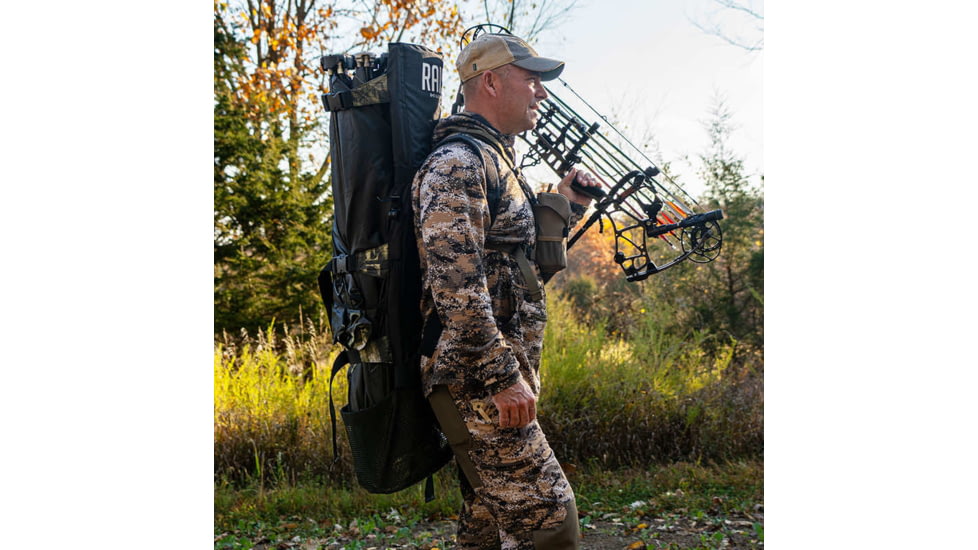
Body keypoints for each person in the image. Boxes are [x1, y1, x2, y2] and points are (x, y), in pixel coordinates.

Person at [411, 32, 600, 549]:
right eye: (531, 78)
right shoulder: (458, 164)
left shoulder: (499, 163)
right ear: (490, 82)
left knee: (489, 529)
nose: (542, 92)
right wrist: (501, 378)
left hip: (495, 378)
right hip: (476, 381)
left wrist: (568, 205)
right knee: (551, 527)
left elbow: (517, 278)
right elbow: (457, 289)